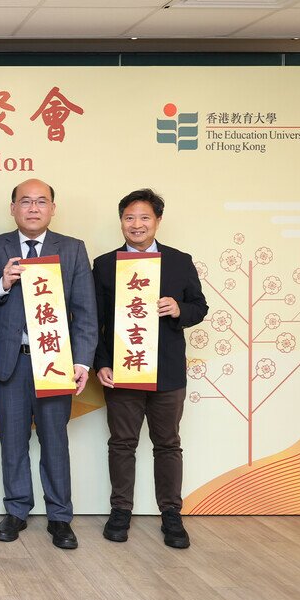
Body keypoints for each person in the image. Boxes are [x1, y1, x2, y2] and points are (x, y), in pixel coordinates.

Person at [0, 178, 97, 550]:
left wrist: (82, 360)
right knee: (12, 441)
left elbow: (85, 311)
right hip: (10, 362)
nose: (33, 208)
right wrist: (1, 283)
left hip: (55, 363)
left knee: (54, 441)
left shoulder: (74, 250)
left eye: (41, 202)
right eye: (25, 202)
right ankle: (16, 510)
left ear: (52, 208)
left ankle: (60, 516)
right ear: (12, 208)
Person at [93, 189, 208, 549]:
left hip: (167, 371)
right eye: (129, 217)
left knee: (168, 444)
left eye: (144, 218)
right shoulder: (105, 263)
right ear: (121, 222)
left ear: (157, 221)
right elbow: (93, 320)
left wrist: (178, 308)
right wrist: (102, 363)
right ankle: (120, 511)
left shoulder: (178, 261)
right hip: (122, 372)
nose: (137, 224)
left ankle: (171, 514)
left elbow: (199, 307)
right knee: (122, 444)